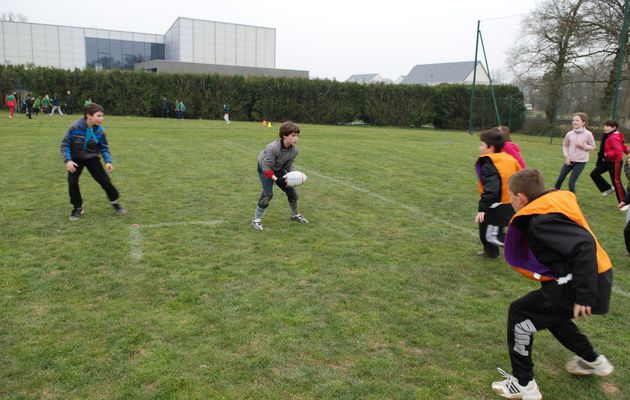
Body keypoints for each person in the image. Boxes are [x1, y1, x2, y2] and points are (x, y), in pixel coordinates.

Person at [491, 168, 614, 399]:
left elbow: (584, 245)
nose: (510, 200)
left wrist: (584, 295)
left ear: (521, 198)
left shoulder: (541, 221)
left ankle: (523, 384)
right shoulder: (548, 207)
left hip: (583, 282)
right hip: (589, 276)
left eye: (510, 196)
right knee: (549, 317)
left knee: (520, 314)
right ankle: (593, 360)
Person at [60, 103, 126, 220]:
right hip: (76, 159)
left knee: (105, 181)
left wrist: (108, 161)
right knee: (72, 183)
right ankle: (77, 208)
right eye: (99, 116)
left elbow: (104, 147)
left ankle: (115, 202)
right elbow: (64, 144)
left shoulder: (100, 131)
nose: (102, 118)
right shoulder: (75, 127)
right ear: (89, 116)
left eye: (102, 116)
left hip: (92, 158)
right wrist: (68, 161)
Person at [251, 121, 309, 231]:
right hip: (264, 168)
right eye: (293, 135)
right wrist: (277, 180)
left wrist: (293, 176)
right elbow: (266, 167)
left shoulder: (294, 150)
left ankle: (294, 214)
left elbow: (288, 165)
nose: (296, 138)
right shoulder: (272, 148)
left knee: (292, 192)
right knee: (268, 194)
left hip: (277, 168)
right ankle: (256, 220)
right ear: (284, 136)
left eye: (297, 135)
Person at [475, 128, 521, 258]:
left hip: (497, 204)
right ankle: (491, 252)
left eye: (482, 145)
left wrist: (483, 208)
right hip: (510, 202)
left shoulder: (490, 163)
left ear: (491, 147)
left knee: (490, 235)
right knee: (489, 228)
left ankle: (527, 247)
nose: (480, 148)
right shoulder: (508, 159)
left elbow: (492, 188)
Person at [553, 112, 596, 193]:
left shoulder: (588, 134)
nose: (574, 122)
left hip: (580, 162)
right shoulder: (569, 134)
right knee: (559, 179)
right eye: (573, 120)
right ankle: (552, 196)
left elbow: (593, 147)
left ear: (583, 122)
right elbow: (565, 145)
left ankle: (573, 201)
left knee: (571, 183)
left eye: (577, 120)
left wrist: (583, 146)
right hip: (569, 160)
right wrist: (567, 156)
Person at [590, 120, 627, 204]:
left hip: (615, 163)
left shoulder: (614, 137)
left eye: (607, 126)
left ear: (614, 128)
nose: (605, 128)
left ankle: (624, 202)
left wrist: (607, 154)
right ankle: (607, 188)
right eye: (605, 126)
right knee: (594, 174)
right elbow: (622, 146)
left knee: (616, 182)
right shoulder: (610, 135)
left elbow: (618, 152)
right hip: (607, 162)